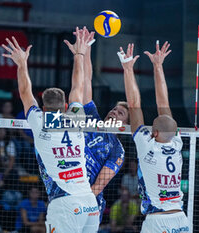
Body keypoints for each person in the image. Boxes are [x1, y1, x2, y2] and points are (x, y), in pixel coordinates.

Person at [2, 28, 99, 232]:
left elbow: (24, 92)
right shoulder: (75, 117)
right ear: (65, 107)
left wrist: (22, 63)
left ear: (44, 108)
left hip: (65, 203)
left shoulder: (40, 121)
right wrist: (79, 55)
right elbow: (77, 88)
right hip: (89, 201)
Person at [121, 41, 189, 233]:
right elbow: (164, 103)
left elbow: (134, 105)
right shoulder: (176, 143)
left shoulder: (147, 145)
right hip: (180, 219)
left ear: (155, 133)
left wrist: (128, 69)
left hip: (158, 221)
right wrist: (158, 66)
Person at [80, 27, 126, 222]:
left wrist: (80, 203)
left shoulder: (118, 150)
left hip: (90, 203)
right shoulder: (92, 118)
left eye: (121, 112)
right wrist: (88, 48)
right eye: (115, 108)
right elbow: (86, 82)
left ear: (125, 125)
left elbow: (100, 185)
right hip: (69, 193)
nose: (114, 111)